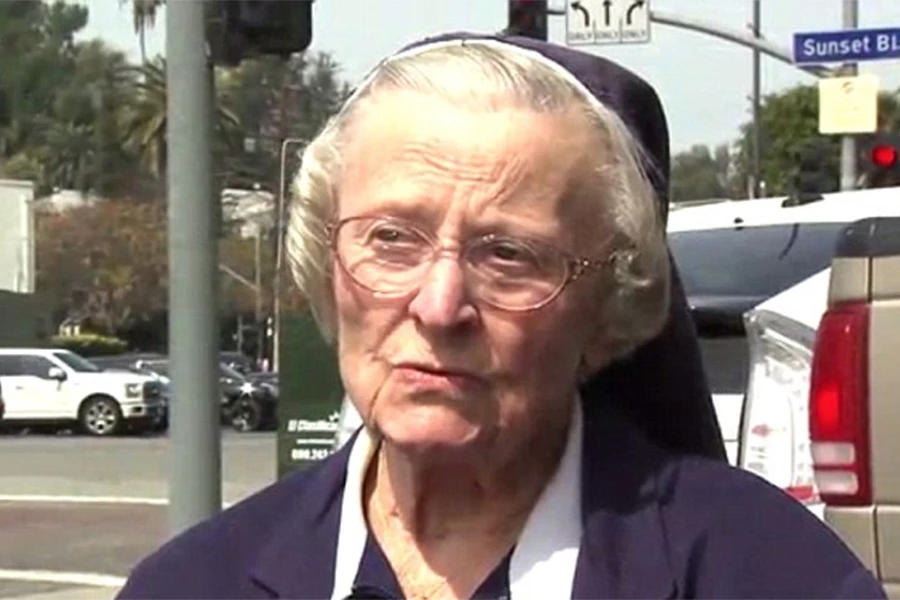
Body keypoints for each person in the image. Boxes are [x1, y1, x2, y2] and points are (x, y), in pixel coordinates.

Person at [116, 32, 886, 600]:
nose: (439, 305)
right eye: (392, 239)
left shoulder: (767, 574)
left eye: (509, 255)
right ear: (326, 264)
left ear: (608, 305)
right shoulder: (194, 585)